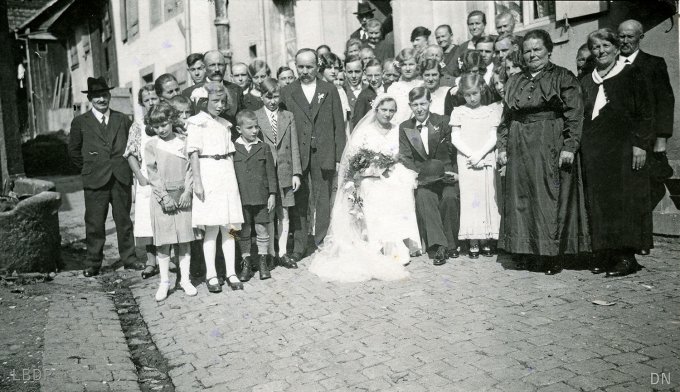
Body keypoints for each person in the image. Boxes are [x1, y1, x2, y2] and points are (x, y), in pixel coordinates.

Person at [497, 29, 590, 274]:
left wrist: (570, 146)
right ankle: (526, 251)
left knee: (547, 196)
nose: (532, 55)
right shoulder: (515, 80)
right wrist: (502, 147)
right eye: (527, 51)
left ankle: (551, 255)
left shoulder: (563, 76)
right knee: (523, 197)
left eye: (537, 49)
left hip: (549, 140)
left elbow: (574, 114)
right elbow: (506, 118)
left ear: (549, 50)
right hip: (519, 142)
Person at [309, 93, 420, 281]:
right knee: (372, 189)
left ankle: (394, 244)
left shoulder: (397, 130)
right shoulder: (364, 131)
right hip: (368, 175)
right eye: (383, 110)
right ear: (375, 110)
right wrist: (373, 170)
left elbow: (402, 154)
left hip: (392, 173)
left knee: (399, 189)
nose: (387, 114)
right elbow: (355, 161)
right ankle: (375, 243)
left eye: (391, 111)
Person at [580, 28, 654, 277]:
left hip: (622, 148)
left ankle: (625, 257)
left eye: (605, 46)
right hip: (594, 149)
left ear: (615, 48)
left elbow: (645, 112)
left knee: (622, 201)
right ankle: (604, 254)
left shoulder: (631, 74)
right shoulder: (587, 79)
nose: (600, 51)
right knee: (599, 202)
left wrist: (640, 144)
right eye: (595, 47)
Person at [68, 77, 143, 277]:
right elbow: (74, 151)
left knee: (124, 221)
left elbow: (132, 146)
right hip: (95, 180)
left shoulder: (122, 119)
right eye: (96, 96)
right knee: (94, 223)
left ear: (109, 96)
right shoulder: (80, 122)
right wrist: (89, 168)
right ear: (90, 98)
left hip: (120, 178)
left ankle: (129, 259)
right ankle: (93, 263)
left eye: (104, 95)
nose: (101, 99)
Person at [280, 48, 346, 262]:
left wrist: (338, 158)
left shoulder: (329, 90)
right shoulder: (288, 91)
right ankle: (300, 246)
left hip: (324, 153)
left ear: (317, 66)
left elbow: (338, 125)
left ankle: (322, 240)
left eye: (309, 66)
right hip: (298, 155)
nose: (305, 71)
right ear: (295, 66)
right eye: (301, 67)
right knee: (300, 200)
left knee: (324, 199)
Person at [617, 19, 675, 238]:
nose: (624, 41)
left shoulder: (654, 63)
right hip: (619, 141)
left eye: (630, 36)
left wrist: (662, 139)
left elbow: (665, 101)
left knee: (648, 189)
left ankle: (640, 236)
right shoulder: (610, 64)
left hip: (647, 139)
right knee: (625, 192)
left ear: (640, 37)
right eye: (621, 36)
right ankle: (634, 237)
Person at [186, 81, 244, 292]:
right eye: (215, 101)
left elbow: (230, 152)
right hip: (207, 172)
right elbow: (193, 154)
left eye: (222, 101)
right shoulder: (196, 123)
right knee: (211, 227)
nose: (219, 105)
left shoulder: (225, 124)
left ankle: (231, 272)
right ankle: (211, 274)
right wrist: (198, 182)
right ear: (204, 102)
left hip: (226, 173)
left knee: (230, 227)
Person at [399, 87, 460, 264]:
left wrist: (456, 173)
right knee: (424, 198)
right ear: (410, 106)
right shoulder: (405, 128)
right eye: (415, 104)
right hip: (423, 178)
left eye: (423, 104)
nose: (419, 108)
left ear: (430, 103)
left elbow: (454, 152)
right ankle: (440, 246)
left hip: (446, 174)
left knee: (449, 197)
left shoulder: (443, 122)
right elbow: (405, 157)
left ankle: (452, 244)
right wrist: (417, 176)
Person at [143, 102, 197, 301]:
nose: (161, 129)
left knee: (184, 240)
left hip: (182, 196)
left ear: (172, 120)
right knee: (164, 242)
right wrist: (164, 197)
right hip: (162, 199)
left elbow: (191, 169)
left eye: (164, 124)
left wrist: (187, 192)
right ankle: (164, 282)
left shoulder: (184, 142)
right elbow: (153, 174)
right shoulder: (151, 146)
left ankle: (184, 279)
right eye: (157, 126)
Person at [449, 74, 502, 258]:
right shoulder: (459, 111)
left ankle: (486, 239)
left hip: (485, 158)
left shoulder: (489, 111)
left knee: (487, 197)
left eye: (475, 94)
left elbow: (493, 136)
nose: (472, 98)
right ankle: (472, 240)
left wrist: (480, 155)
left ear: (482, 91)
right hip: (466, 160)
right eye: (468, 95)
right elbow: (455, 137)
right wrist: (471, 155)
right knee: (471, 199)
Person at [255, 78, 302, 269]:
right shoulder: (255, 117)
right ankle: (270, 254)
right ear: (261, 96)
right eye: (268, 97)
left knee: (285, 213)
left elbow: (294, 147)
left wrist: (296, 173)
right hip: (266, 175)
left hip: (285, 172)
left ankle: (283, 253)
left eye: (275, 97)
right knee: (269, 214)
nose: (273, 101)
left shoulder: (287, 116)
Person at [231, 110, 277, 282]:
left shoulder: (263, 147)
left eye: (256, 127)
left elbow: (271, 173)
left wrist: (272, 194)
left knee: (261, 228)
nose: (254, 131)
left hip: (261, 196)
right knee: (242, 230)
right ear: (239, 129)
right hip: (240, 198)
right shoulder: (233, 148)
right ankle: (245, 261)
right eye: (249, 127)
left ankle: (263, 261)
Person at [123, 85, 160, 279]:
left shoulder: (167, 121)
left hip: (167, 177)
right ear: (141, 103)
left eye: (154, 98)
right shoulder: (138, 126)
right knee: (148, 222)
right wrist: (140, 177)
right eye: (147, 100)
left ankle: (172, 260)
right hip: (146, 178)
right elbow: (130, 154)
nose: (152, 103)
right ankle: (151, 262)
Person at [182, 50, 243, 124]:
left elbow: (242, 120)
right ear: (204, 68)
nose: (217, 69)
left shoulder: (236, 90)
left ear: (226, 66)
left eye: (220, 65)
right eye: (212, 65)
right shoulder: (189, 93)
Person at [444, 51, 500, 116]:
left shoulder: (487, 91)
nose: (470, 75)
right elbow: (448, 118)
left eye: (474, 71)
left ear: (480, 71)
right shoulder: (453, 93)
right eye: (467, 71)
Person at [387, 48, 424, 125]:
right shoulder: (394, 88)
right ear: (399, 66)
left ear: (417, 65)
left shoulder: (422, 85)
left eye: (411, 64)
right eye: (404, 65)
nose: (407, 68)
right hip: (397, 125)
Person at [352, 59, 384, 130]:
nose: (373, 79)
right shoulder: (363, 96)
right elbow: (357, 123)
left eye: (376, 75)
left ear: (383, 73)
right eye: (369, 75)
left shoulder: (390, 89)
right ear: (365, 74)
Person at [319, 52, 351, 121]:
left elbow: (345, 118)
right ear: (322, 69)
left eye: (336, 68)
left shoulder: (340, 90)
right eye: (329, 67)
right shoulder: (318, 89)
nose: (333, 71)